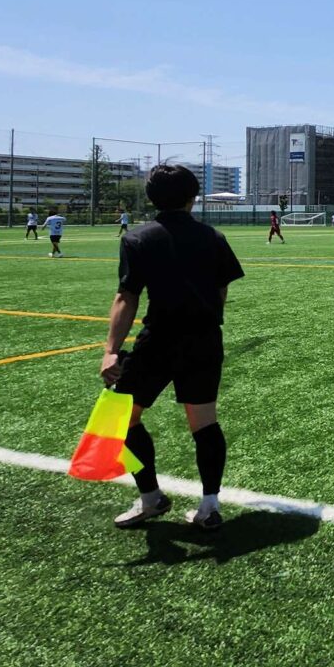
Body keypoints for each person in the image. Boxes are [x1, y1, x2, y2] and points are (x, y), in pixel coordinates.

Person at [100, 165, 244, 530]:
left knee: (120, 418)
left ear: (151, 199)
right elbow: (221, 291)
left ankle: (151, 497)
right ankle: (209, 506)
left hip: (159, 339)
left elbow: (126, 297)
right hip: (204, 338)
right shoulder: (213, 237)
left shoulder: (138, 239)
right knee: (204, 423)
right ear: (193, 197)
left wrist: (111, 351)